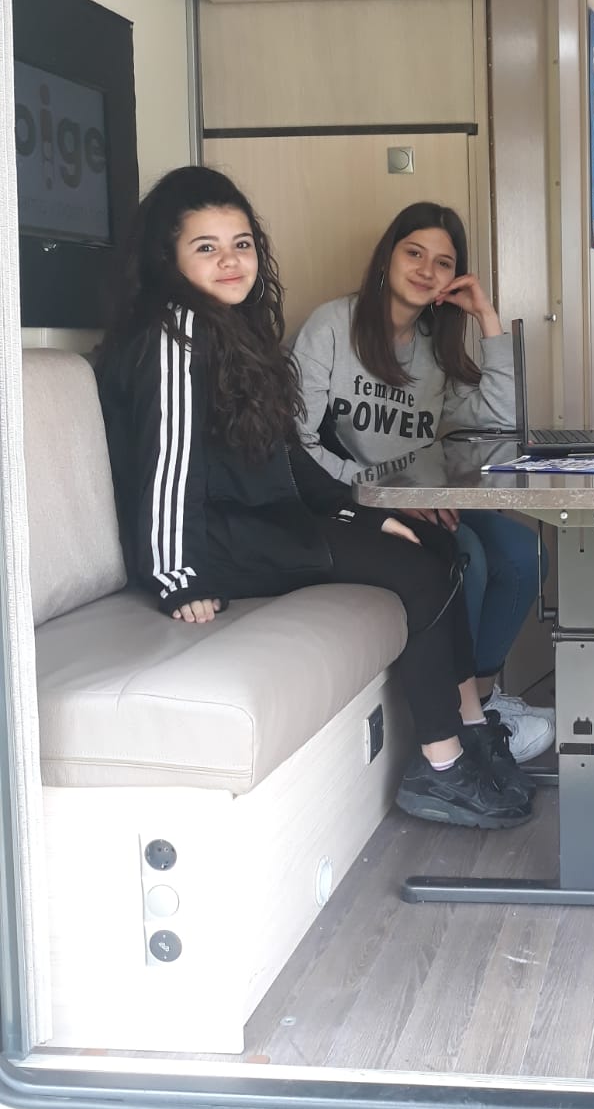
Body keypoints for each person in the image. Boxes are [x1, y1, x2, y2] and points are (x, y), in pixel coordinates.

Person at [96, 166, 534, 832]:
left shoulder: (232, 329)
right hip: (213, 543)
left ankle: (470, 730)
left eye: (241, 244)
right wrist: (177, 574)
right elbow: (167, 460)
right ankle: (441, 769)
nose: (230, 261)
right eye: (206, 247)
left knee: (438, 545)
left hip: (259, 522)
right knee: (420, 569)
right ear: (169, 257)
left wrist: (367, 512)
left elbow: (286, 456)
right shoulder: (176, 330)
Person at [290, 202, 553, 767]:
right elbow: (298, 441)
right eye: (414, 253)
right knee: (469, 557)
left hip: (426, 498)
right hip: (356, 502)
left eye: (443, 262)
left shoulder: (435, 346)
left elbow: (503, 420)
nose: (426, 269)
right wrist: (387, 497)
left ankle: (482, 700)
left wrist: (487, 319)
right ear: (388, 256)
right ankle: (459, 720)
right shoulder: (332, 325)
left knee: (524, 554)